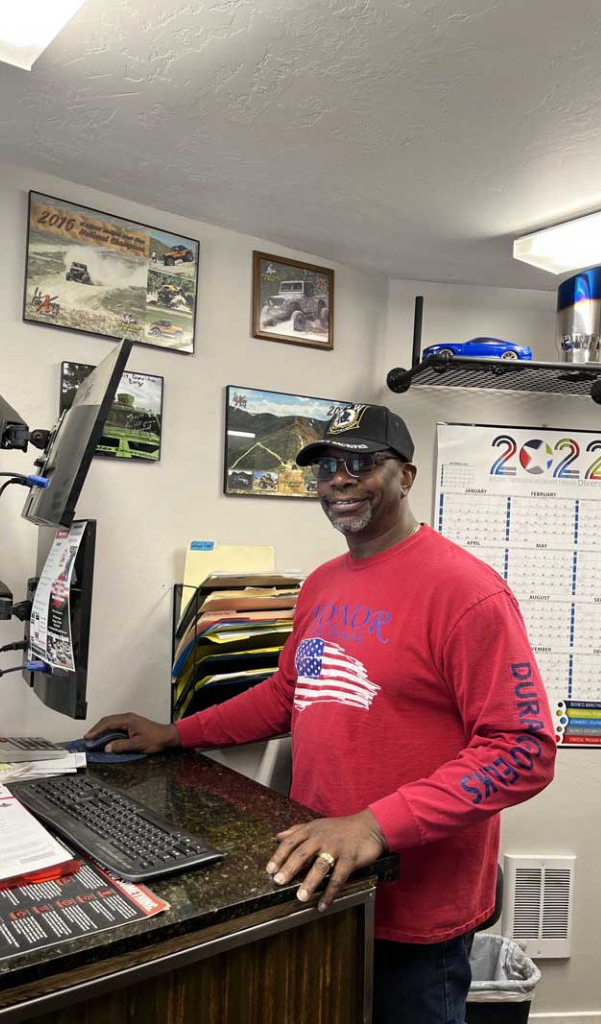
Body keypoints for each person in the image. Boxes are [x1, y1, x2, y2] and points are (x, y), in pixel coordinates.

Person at [86, 402, 556, 1024]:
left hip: (415, 914)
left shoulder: (467, 592)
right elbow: (288, 695)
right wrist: (176, 733)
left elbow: (523, 751)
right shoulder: (324, 584)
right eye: (326, 466)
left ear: (406, 477)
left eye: (360, 462)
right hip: (325, 885)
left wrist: (374, 825)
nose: (339, 478)